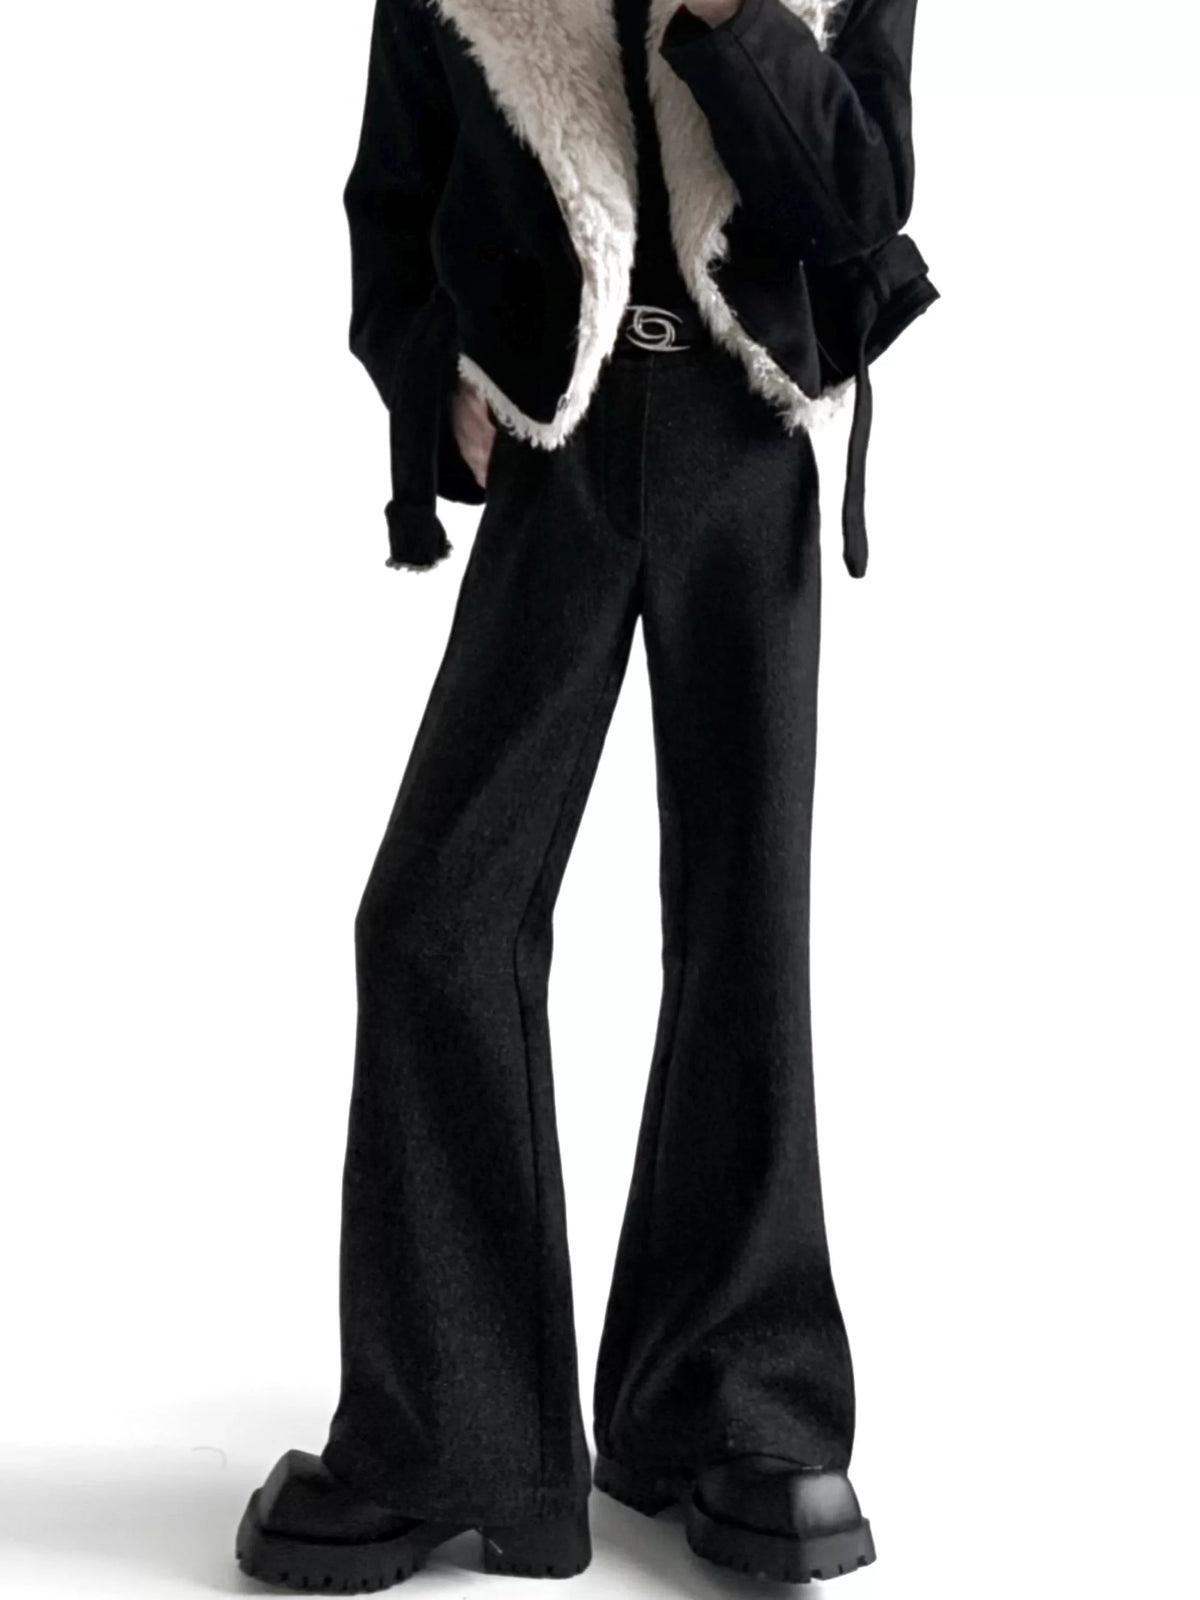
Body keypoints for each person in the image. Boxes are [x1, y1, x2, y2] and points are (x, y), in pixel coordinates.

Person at [235, 0, 938, 1590]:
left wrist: (732, 20)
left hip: (748, 439)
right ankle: (452, 1431)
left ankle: (736, 1406)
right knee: (435, 918)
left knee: (745, 931)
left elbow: (858, 196)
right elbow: (393, 198)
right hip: (558, 452)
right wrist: (435, 378)